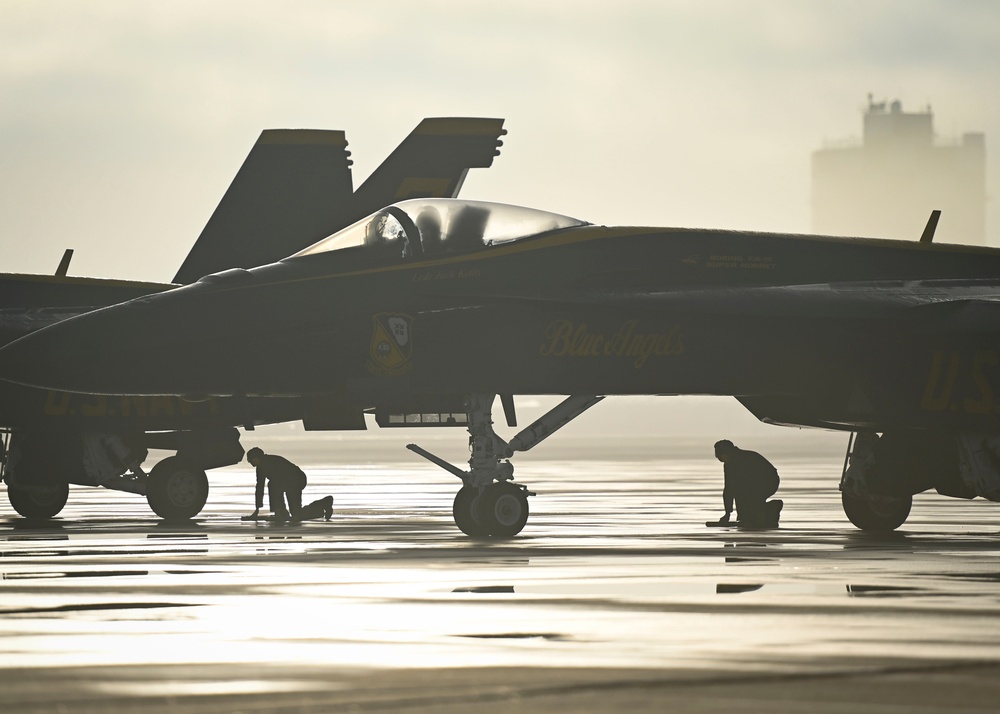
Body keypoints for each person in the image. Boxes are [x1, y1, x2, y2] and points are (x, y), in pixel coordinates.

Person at [241, 447, 333, 522]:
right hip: (287, 482)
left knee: (296, 514)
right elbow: (259, 488)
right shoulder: (261, 467)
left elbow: (276, 486)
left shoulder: (272, 462)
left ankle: (325, 503)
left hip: (296, 480)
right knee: (295, 512)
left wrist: (278, 511)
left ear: (256, 458)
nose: (251, 463)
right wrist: (257, 508)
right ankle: (320, 507)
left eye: (251, 461)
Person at [713, 439, 782, 528]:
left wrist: (743, 517)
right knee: (747, 507)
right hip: (754, 484)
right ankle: (756, 514)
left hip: (769, 481)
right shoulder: (729, 463)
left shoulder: (743, 460)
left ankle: (771, 507)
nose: (720, 460)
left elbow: (738, 489)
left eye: (720, 457)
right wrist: (728, 513)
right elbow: (729, 489)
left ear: (726, 453)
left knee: (745, 495)